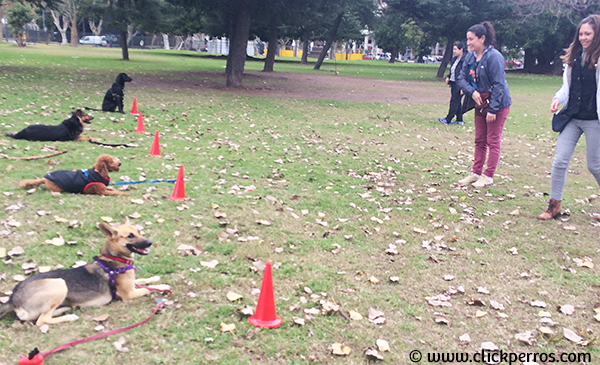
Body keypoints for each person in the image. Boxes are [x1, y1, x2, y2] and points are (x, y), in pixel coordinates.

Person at [538, 15, 600, 220]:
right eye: (581, 33)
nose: (583, 37)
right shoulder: (574, 58)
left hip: (594, 120)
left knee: (595, 165)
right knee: (559, 162)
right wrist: (557, 98)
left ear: (596, 34)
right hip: (572, 116)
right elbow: (567, 87)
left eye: (588, 34)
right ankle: (554, 206)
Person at [456, 22, 512, 188]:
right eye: (467, 39)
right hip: (480, 102)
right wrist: (472, 92)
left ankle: (488, 176)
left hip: (497, 103)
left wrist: (493, 109)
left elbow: (499, 85)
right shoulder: (470, 56)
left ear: (482, 39)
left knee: (492, 140)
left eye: (471, 39)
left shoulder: (494, 57)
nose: (468, 43)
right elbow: (460, 78)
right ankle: (476, 173)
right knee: (479, 140)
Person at [439, 42, 466, 125]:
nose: (454, 51)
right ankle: (459, 119)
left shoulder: (465, 60)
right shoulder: (455, 59)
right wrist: (448, 77)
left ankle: (448, 119)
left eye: (455, 49)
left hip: (460, 84)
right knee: (457, 101)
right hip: (454, 83)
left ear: (461, 50)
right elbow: (453, 70)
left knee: (454, 101)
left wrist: (463, 87)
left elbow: (466, 74)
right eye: (453, 49)